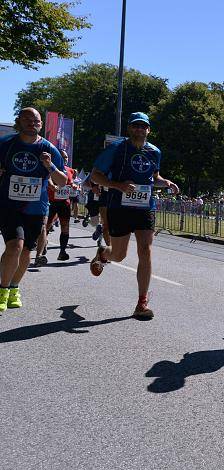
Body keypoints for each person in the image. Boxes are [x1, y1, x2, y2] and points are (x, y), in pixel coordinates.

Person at [88, 112, 180, 320]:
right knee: (119, 255)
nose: (140, 129)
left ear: (149, 130)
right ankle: (103, 254)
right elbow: (95, 175)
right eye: (136, 126)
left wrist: (166, 183)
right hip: (120, 207)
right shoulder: (116, 149)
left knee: (145, 250)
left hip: (145, 207)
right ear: (129, 128)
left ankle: (141, 303)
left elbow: (154, 177)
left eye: (143, 126)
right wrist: (117, 185)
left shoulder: (154, 151)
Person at [0, 108, 69, 311]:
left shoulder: (49, 149)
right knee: (15, 245)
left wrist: (49, 166)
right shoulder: (6, 144)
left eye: (36, 120)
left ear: (41, 124)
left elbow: (62, 181)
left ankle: (14, 287)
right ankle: (3, 290)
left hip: (36, 207)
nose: (32, 123)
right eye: (27, 119)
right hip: (9, 205)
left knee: (26, 251)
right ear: (19, 121)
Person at [37, 149, 77, 261]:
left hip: (64, 203)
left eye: (66, 157)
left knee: (65, 227)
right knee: (46, 227)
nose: (65, 159)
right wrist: (51, 185)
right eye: (62, 157)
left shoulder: (70, 170)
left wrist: (74, 186)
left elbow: (70, 182)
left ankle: (62, 252)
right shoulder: (51, 168)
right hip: (51, 202)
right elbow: (48, 178)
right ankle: (43, 245)